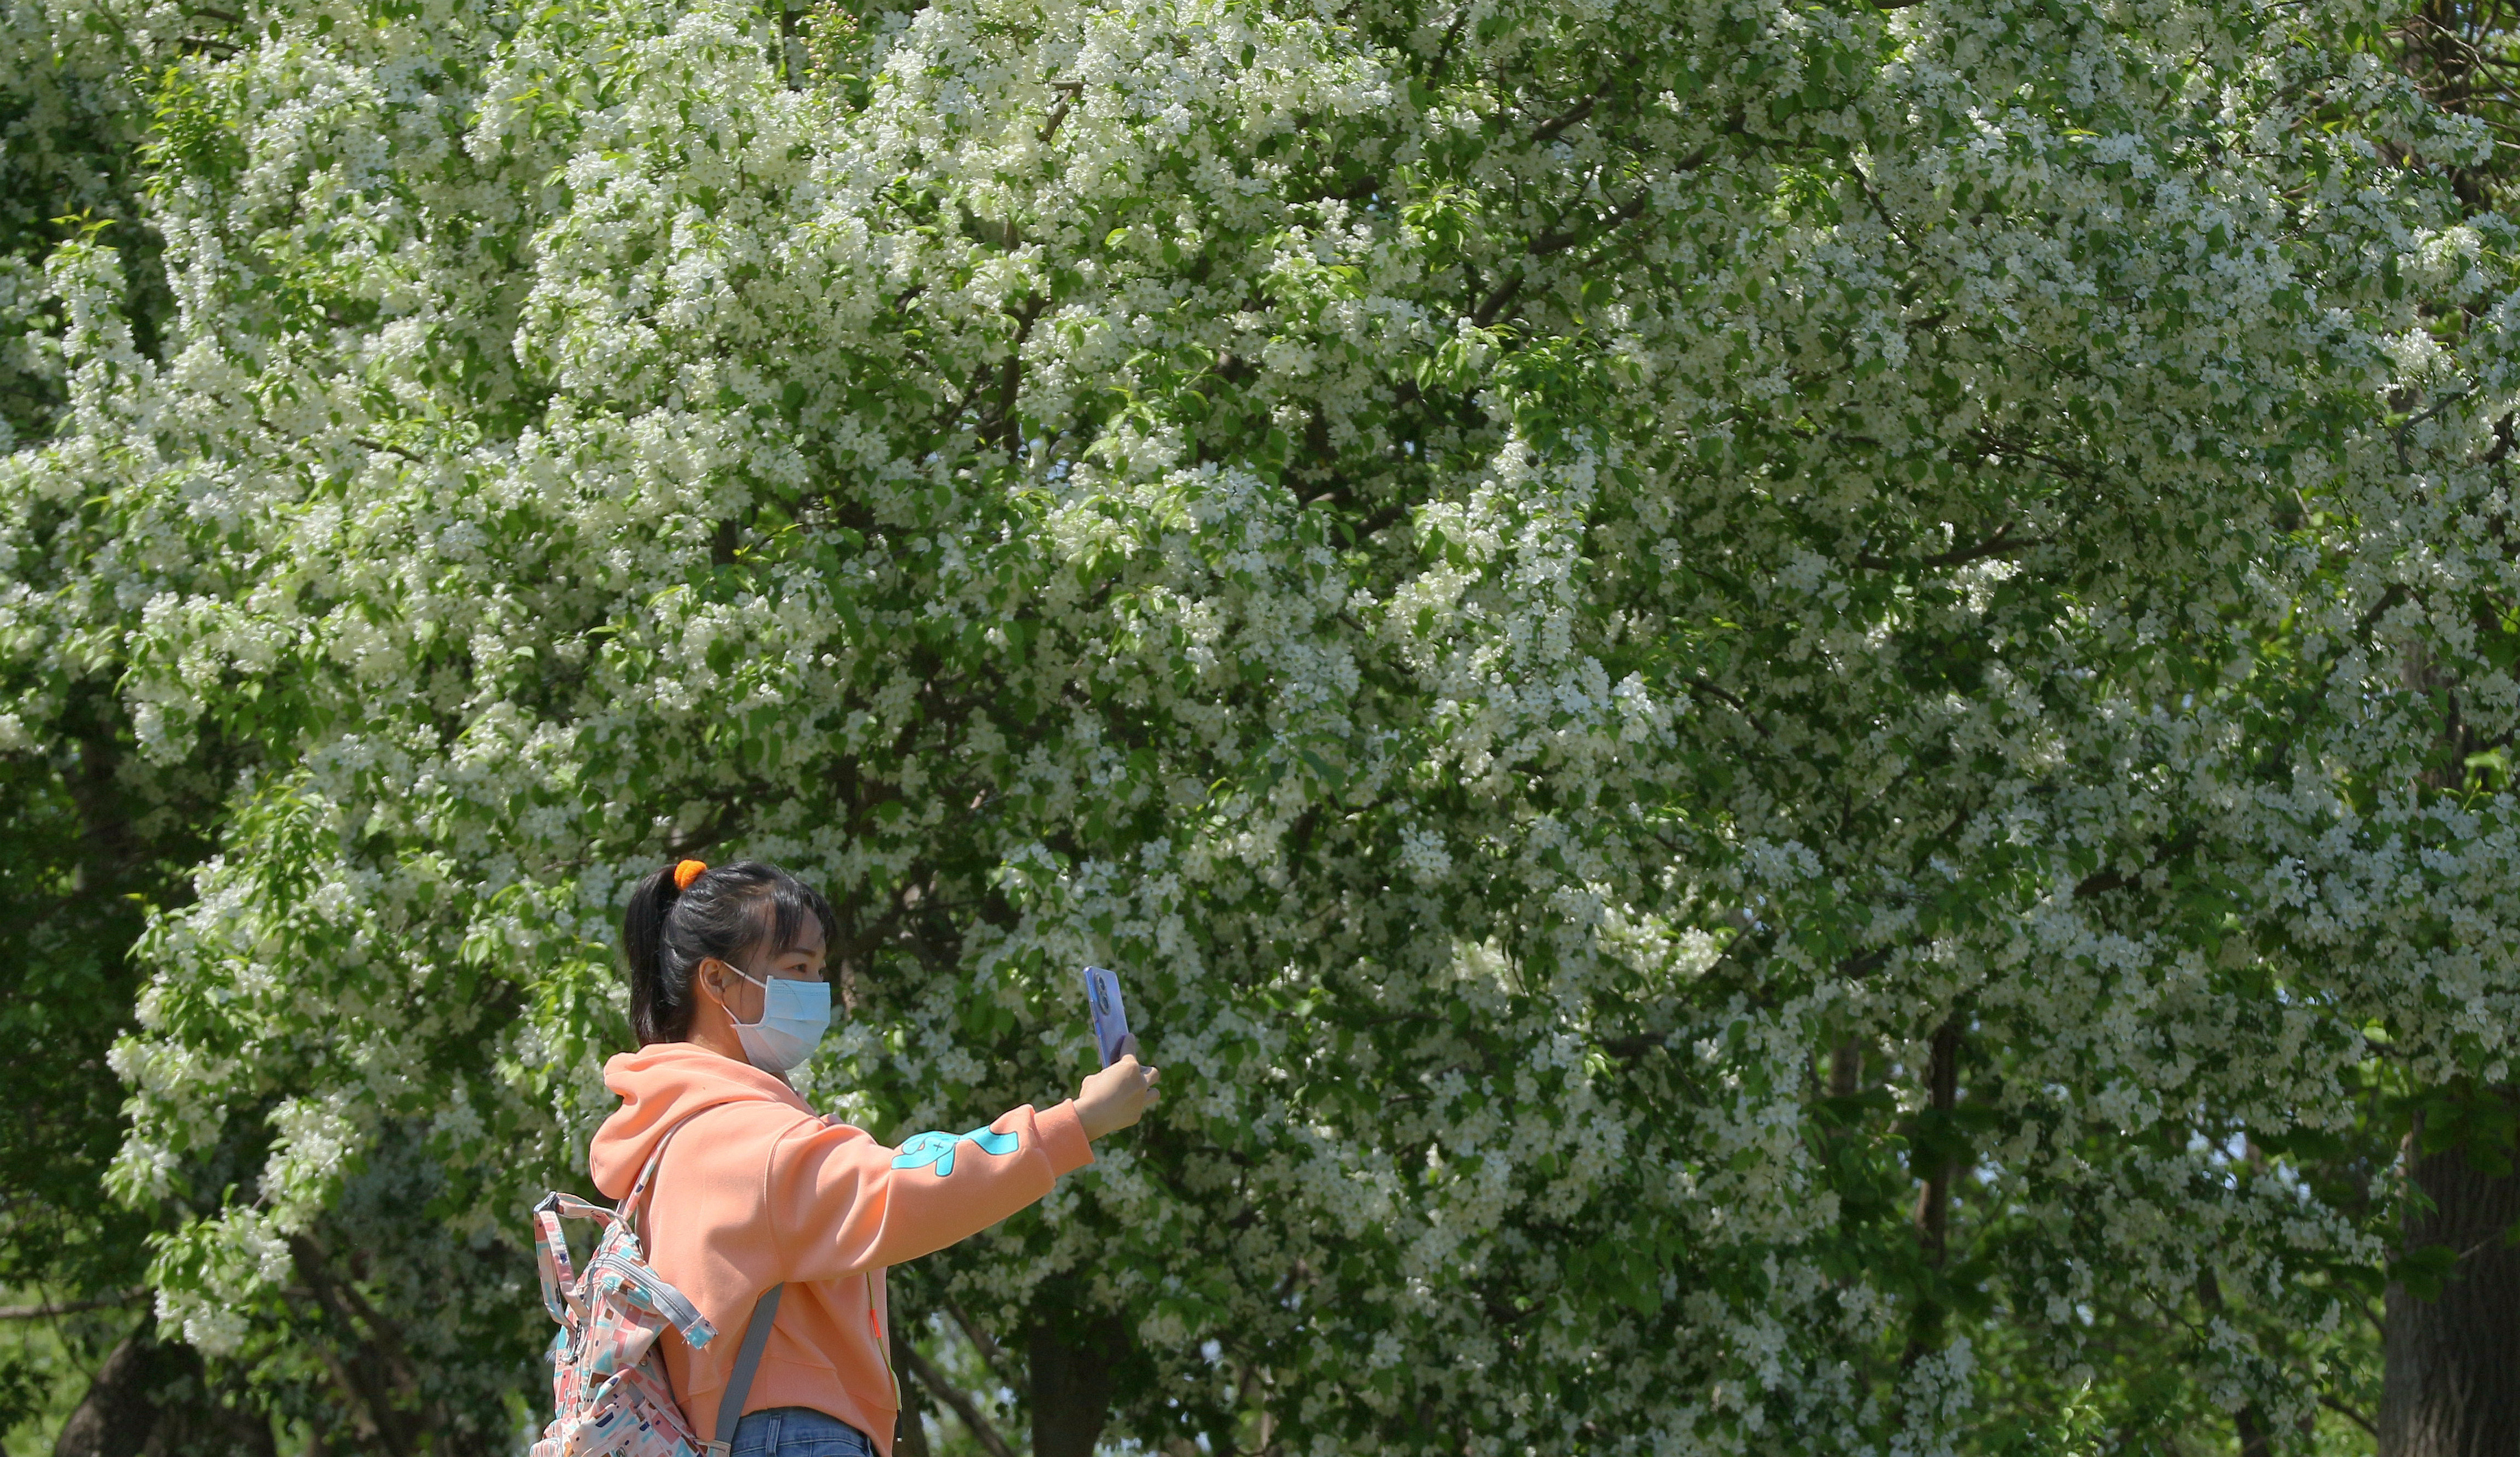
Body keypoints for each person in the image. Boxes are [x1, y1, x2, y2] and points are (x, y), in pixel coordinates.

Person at [591, 858, 1159, 1457]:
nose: (816, 989)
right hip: (792, 1431)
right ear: (717, 979)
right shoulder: (746, 1137)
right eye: (796, 967)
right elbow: (903, 1186)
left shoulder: (671, 1132)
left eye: (819, 968)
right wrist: (1075, 1122)